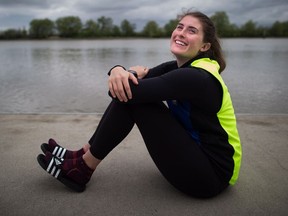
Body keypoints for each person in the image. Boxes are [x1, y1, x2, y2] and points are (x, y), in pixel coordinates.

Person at [37, 10, 242, 198]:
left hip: (211, 176)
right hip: (197, 159)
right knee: (133, 93)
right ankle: (81, 155)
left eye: (191, 31)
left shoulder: (196, 77)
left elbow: (122, 91)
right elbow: (133, 81)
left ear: (205, 46)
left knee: (134, 98)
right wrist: (121, 70)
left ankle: (82, 168)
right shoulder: (179, 67)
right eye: (179, 27)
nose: (181, 33)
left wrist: (119, 70)